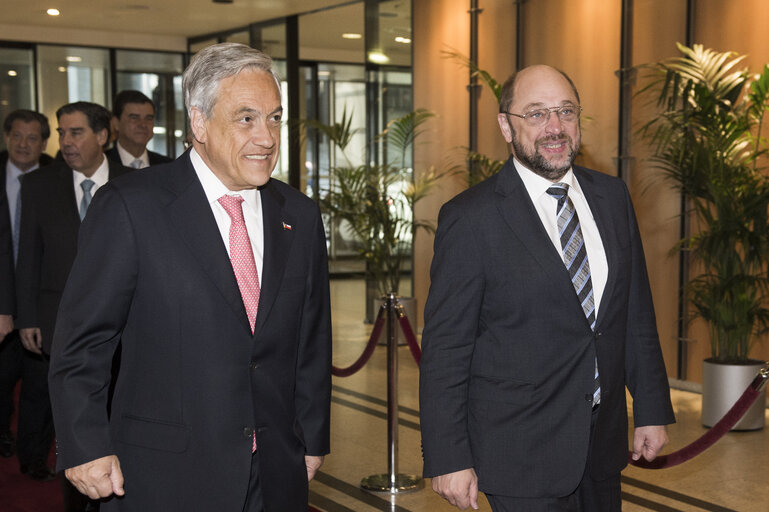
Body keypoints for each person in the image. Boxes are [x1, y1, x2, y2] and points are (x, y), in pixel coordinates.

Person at [48, 42, 332, 511]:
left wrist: (312, 436)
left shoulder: (297, 214)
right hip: (165, 475)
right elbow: (82, 343)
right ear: (199, 122)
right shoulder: (131, 207)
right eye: (246, 118)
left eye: (275, 118)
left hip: (276, 471)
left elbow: (311, 340)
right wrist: (86, 445)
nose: (266, 137)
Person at [419, 65, 675, 512]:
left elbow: (634, 313)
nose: (555, 127)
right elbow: (446, 350)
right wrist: (449, 458)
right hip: (519, 453)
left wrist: (651, 408)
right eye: (536, 114)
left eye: (565, 112)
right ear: (506, 125)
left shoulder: (612, 198)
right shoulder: (470, 219)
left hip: (601, 447)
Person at [0, 110, 54, 479]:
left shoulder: (57, 180)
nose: (23, 144)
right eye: (16, 136)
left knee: (39, 389)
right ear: (6, 137)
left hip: (41, 302)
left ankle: (32, 458)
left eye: (32, 138)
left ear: (44, 142)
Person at [106, 90, 172, 168]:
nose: (143, 124)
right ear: (116, 123)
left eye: (149, 118)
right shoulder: (102, 164)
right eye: (134, 118)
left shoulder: (167, 166)